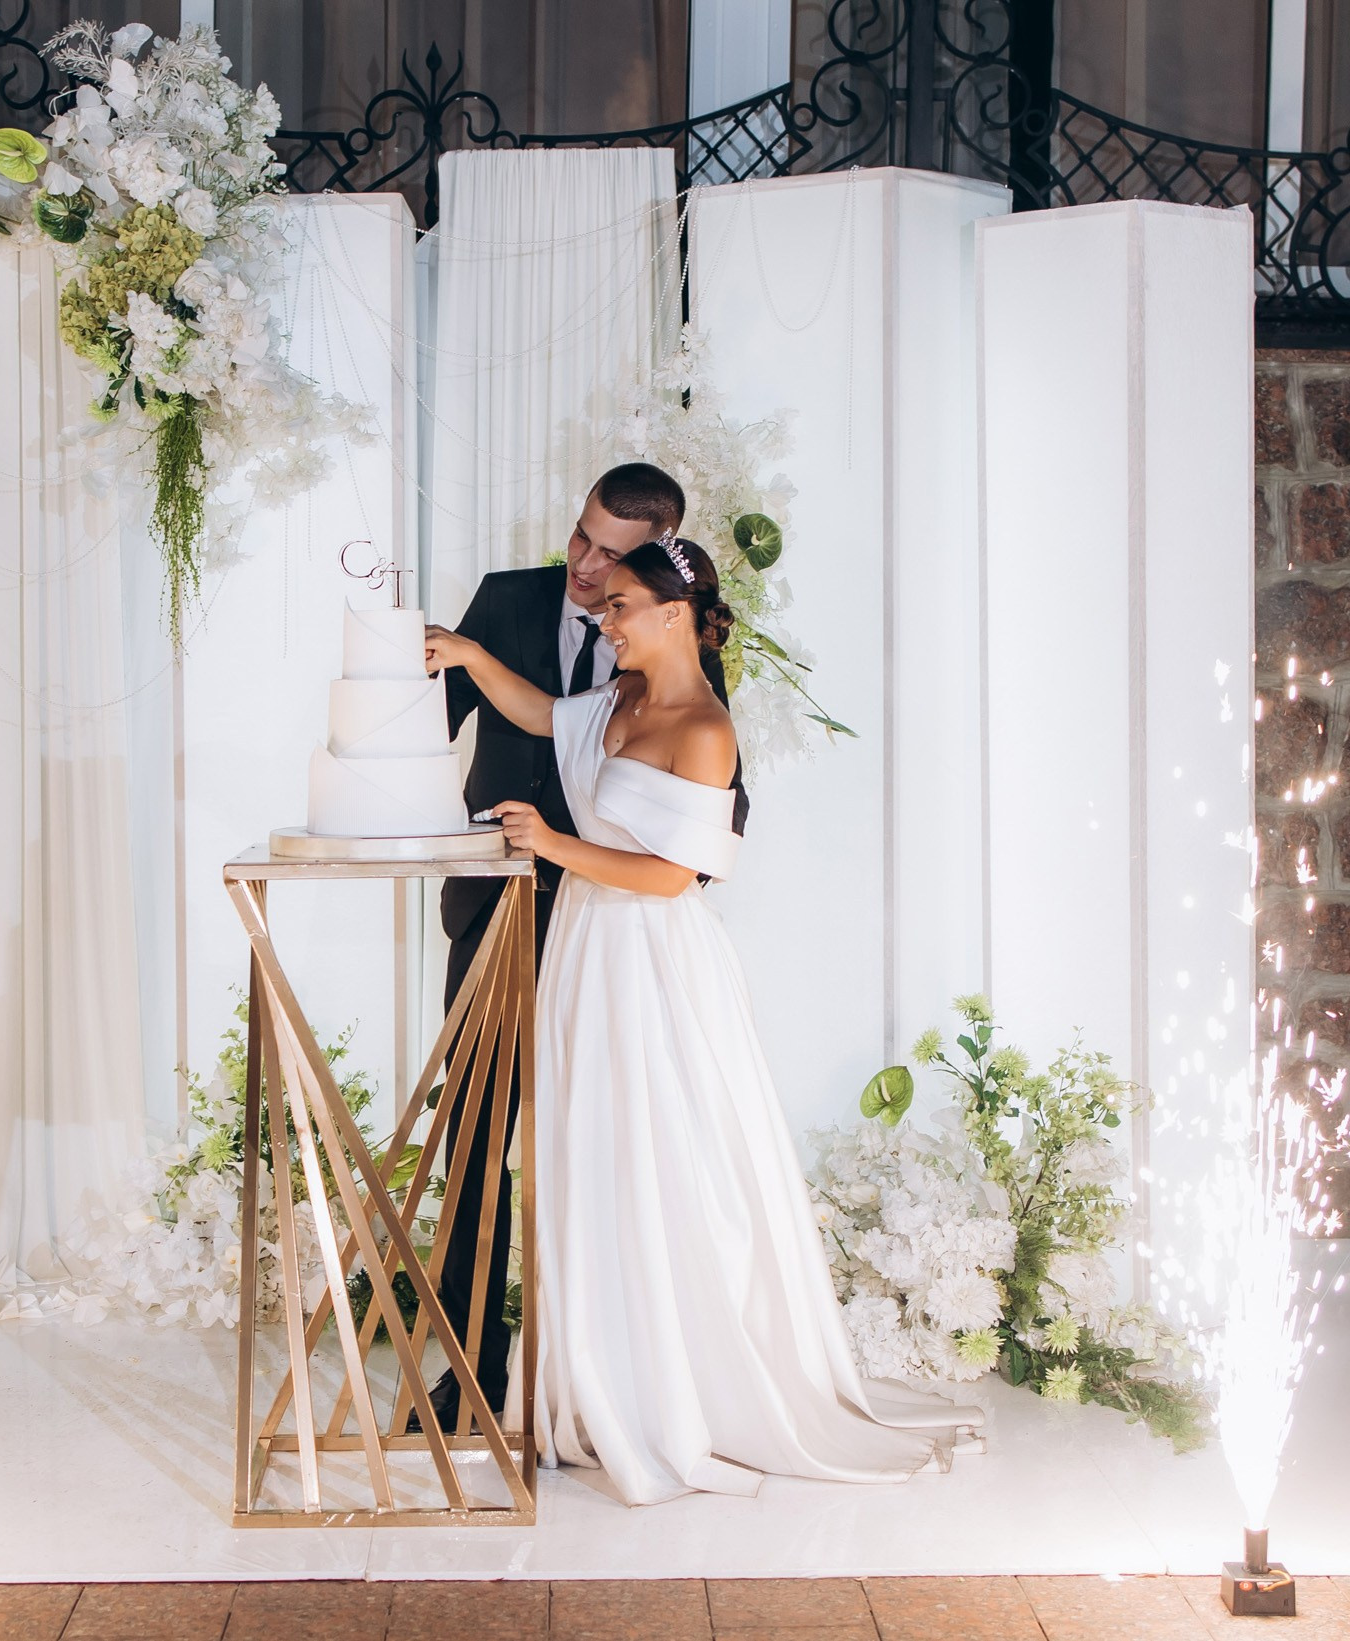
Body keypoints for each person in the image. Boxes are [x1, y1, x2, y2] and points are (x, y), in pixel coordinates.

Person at [423, 538, 979, 1504]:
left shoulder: (703, 728)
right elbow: (543, 713)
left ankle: (668, 1389)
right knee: (587, 1158)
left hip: (652, 961)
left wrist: (552, 841)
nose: (605, 615)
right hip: (586, 954)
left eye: (623, 604)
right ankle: (590, 1377)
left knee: (660, 1159)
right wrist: (470, 658)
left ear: (674, 612)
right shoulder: (621, 699)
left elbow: (676, 875)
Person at [419, 463, 743, 1435]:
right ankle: (475, 1374)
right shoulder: (506, 604)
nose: (588, 571)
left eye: (614, 561)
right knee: (478, 1141)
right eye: (581, 539)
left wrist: (579, 853)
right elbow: (452, 726)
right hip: (497, 921)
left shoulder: (685, 685)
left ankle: (622, 1374)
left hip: (619, 943)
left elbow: (711, 840)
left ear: (657, 573)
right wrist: (454, 662)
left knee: (614, 1156)